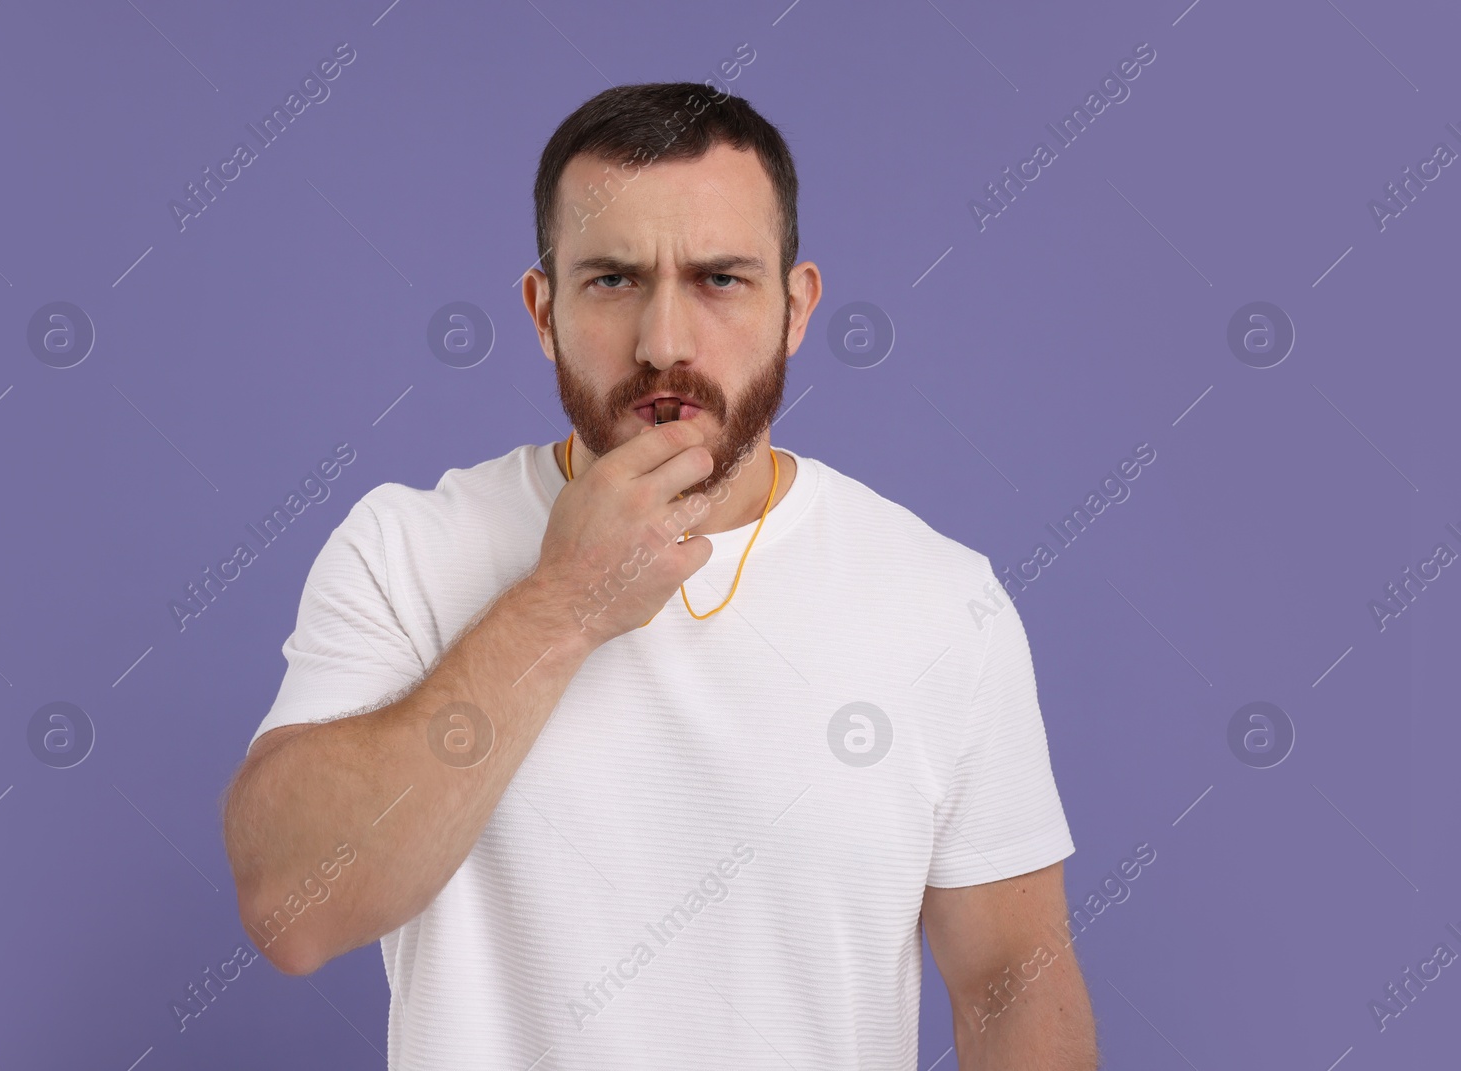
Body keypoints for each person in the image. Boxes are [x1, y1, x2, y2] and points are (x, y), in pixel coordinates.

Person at [222, 81, 1097, 1070]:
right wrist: (557, 607)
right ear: (542, 308)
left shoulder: (941, 601)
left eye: (719, 279)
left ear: (796, 307)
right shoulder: (405, 550)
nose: (664, 344)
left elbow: (1010, 983)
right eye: (612, 281)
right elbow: (292, 910)